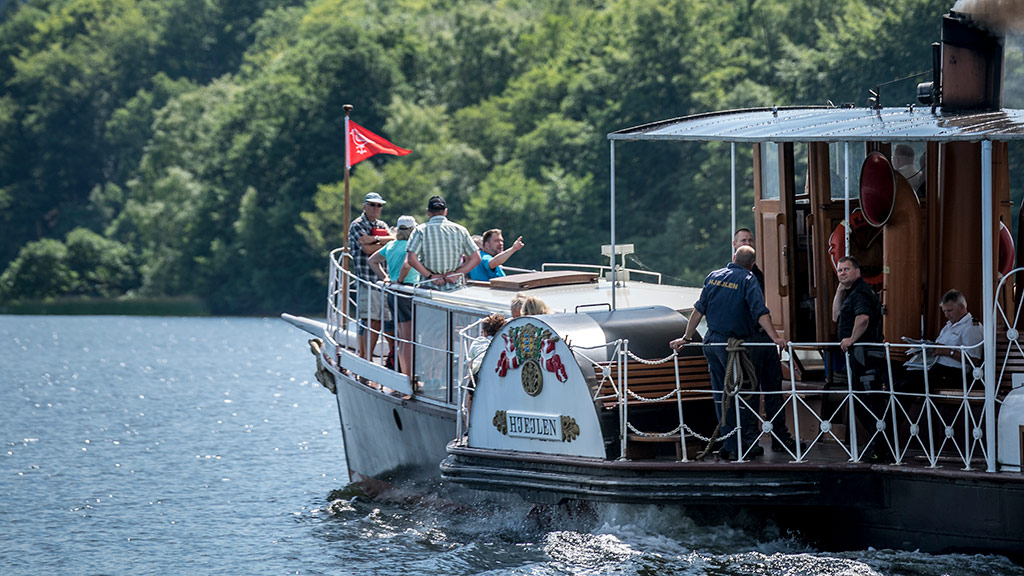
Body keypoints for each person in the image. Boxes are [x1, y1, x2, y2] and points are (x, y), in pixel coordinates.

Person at [669, 246, 786, 461]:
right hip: (731, 345)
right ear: (751, 264)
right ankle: (742, 446)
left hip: (711, 343)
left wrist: (686, 337)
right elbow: (760, 313)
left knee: (721, 396)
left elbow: (698, 311)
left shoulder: (713, 276)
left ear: (733, 258)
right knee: (740, 394)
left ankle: (729, 443)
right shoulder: (749, 279)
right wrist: (776, 338)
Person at [734, 228, 801, 453]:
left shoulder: (757, 273)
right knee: (750, 392)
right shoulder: (729, 276)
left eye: (751, 239)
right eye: (744, 240)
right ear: (735, 246)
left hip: (762, 339)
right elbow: (756, 310)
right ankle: (751, 439)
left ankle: (780, 437)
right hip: (749, 340)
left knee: (773, 389)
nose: (749, 242)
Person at [832, 255, 889, 461]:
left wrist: (851, 339)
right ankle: (879, 445)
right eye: (839, 270)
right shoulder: (851, 293)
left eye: (846, 269)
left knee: (867, 401)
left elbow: (863, 318)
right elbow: (835, 316)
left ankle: (881, 447)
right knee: (861, 401)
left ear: (857, 272)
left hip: (866, 356)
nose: (842, 273)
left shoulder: (861, 292)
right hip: (858, 356)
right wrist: (839, 291)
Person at [368, 215, 421, 377]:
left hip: (393, 293)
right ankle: (409, 375)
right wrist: (399, 280)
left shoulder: (391, 245)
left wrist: (385, 277)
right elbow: (407, 264)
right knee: (410, 337)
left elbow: (372, 260)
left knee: (402, 337)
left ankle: (405, 374)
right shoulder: (411, 246)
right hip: (407, 291)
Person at [348, 192, 395, 362]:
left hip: (385, 282)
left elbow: (393, 242)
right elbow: (367, 250)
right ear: (364, 206)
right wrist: (381, 241)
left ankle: (392, 360)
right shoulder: (357, 225)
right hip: (368, 281)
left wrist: (373, 239)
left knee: (390, 323)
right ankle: (366, 360)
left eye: (379, 205)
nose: (376, 208)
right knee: (372, 321)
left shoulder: (382, 224)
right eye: (372, 204)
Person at [910, 289, 984, 389]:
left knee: (910, 383)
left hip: (954, 374)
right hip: (937, 368)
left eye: (949, 310)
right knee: (901, 374)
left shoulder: (972, 327)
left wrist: (948, 351)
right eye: (944, 311)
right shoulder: (948, 326)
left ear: (962, 307)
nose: (946, 315)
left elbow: (974, 360)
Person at [406, 195, 481, 290]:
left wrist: (430, 276)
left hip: (428, 288)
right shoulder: (461, 230)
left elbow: (411, 259)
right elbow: (476, 258)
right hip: (454, 290)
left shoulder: (420, 230)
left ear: (428, 212)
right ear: (445, 212)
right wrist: (456, 274)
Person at [732, 228, 764, 293]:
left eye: (750, 240)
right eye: (743, 240)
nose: (748, 243)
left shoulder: (757, 275)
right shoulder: (726, 274)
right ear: (734, 244)